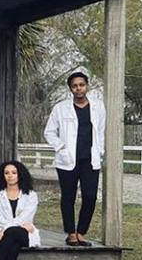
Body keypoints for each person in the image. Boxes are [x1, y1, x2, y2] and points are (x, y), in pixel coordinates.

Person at [43, 71, 106, 246]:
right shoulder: (61, 108)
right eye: (75, 86)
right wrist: (60, 147)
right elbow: (49, 132)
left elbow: (100, 131)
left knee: (90, 196)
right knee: (68, 197)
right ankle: (71, 233)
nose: (78, 89)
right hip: (67, 160)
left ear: (87, 86)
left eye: (81, 85)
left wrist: (100, 151)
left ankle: (81, 232)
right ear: (71, 89)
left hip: (90, 160)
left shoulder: (98, 107)